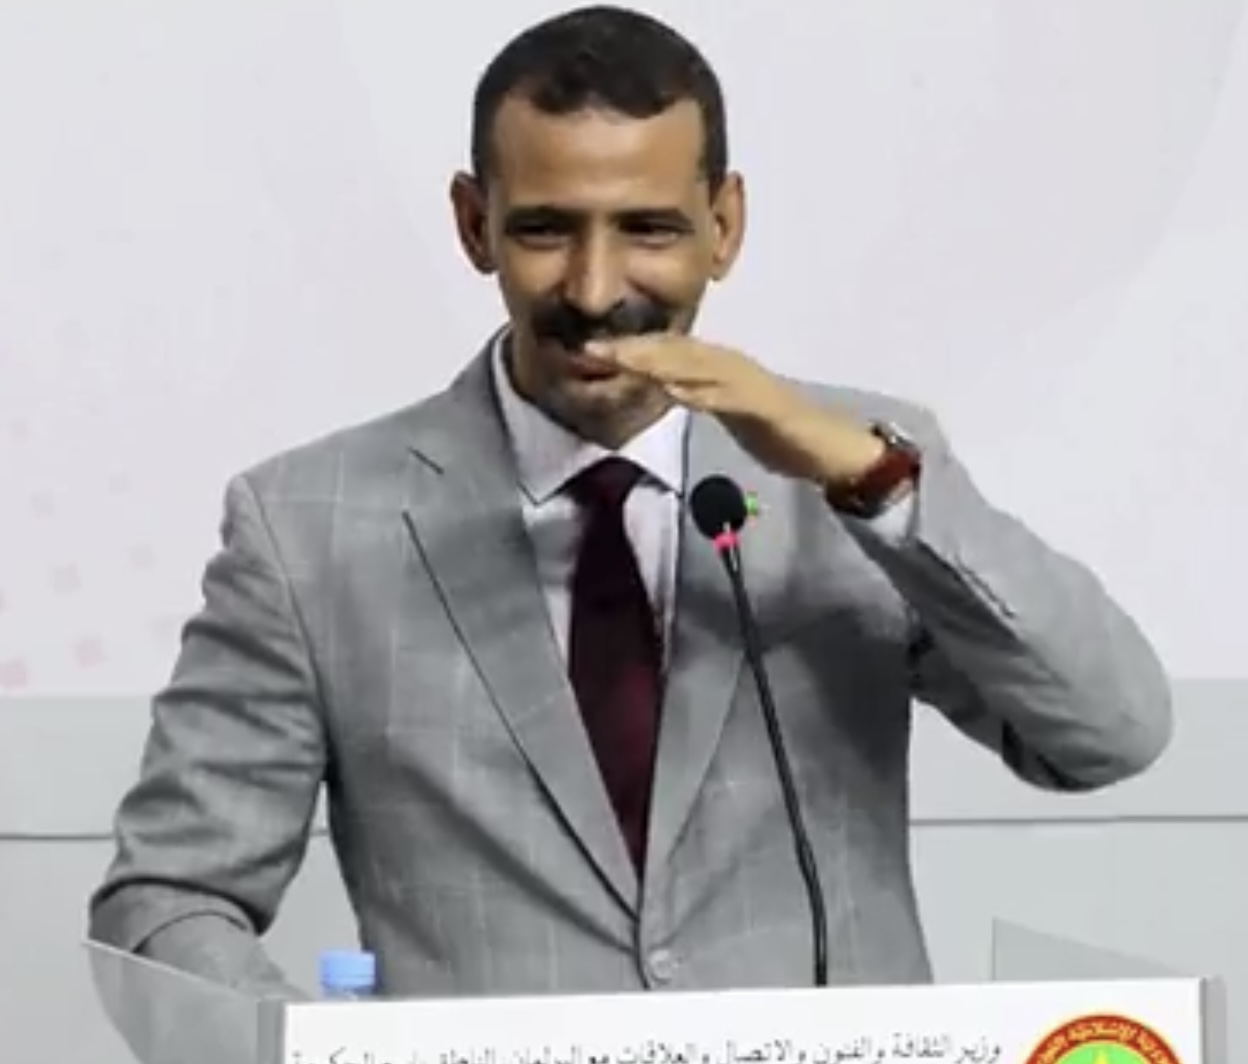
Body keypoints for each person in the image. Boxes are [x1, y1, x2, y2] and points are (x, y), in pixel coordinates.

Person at [88, 4, 1172, 999]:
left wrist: (869, 481)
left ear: (724, 225)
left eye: (649, 229)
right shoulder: (306, 524)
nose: (597, 289)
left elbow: (1110, 732)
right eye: (545, 230)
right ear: (473, 223)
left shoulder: (860, 472)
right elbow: (168, 902)